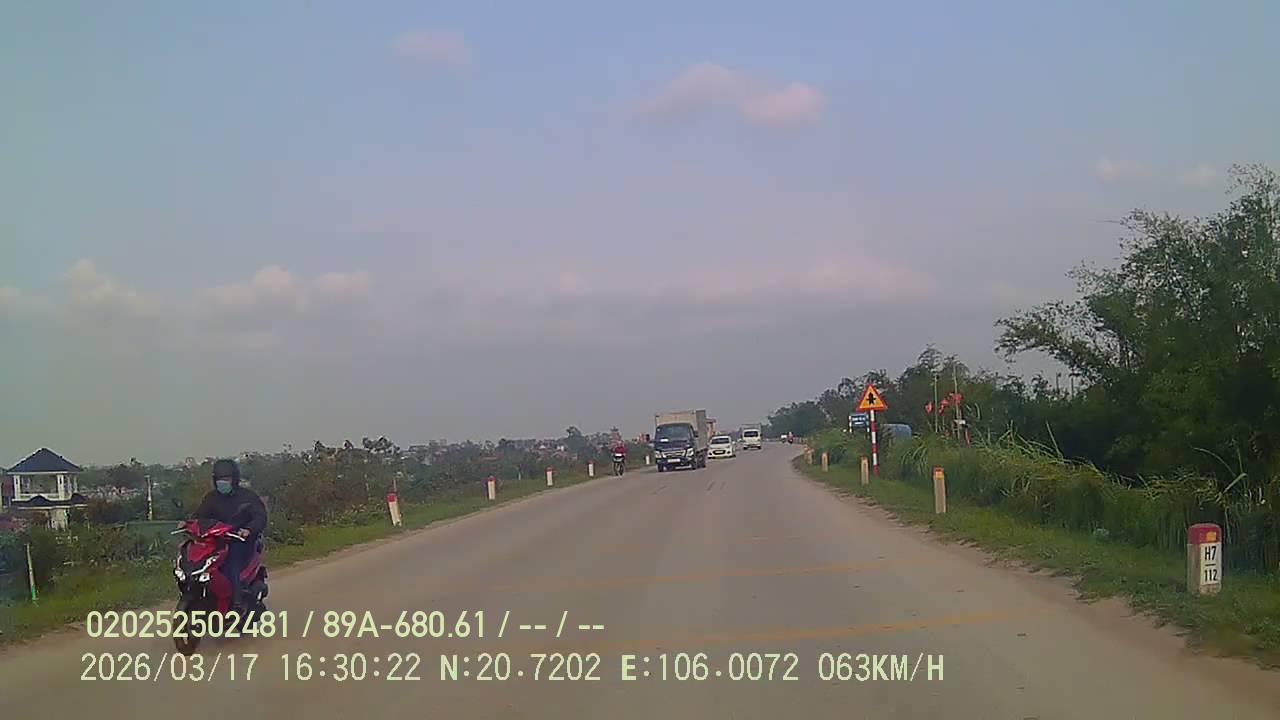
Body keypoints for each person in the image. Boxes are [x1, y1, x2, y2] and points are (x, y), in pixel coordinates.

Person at [193, 458, 267, 612]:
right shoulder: (211, 498)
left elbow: (260, 517)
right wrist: (189, 524)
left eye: (226, 479)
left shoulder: (247, 497)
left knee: (231, 562)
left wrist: (248, 530)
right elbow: (200, 516)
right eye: (220, 480)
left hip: (241, 541)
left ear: (234, 479)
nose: (223, 483)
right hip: (217, 541)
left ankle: (237, 600)